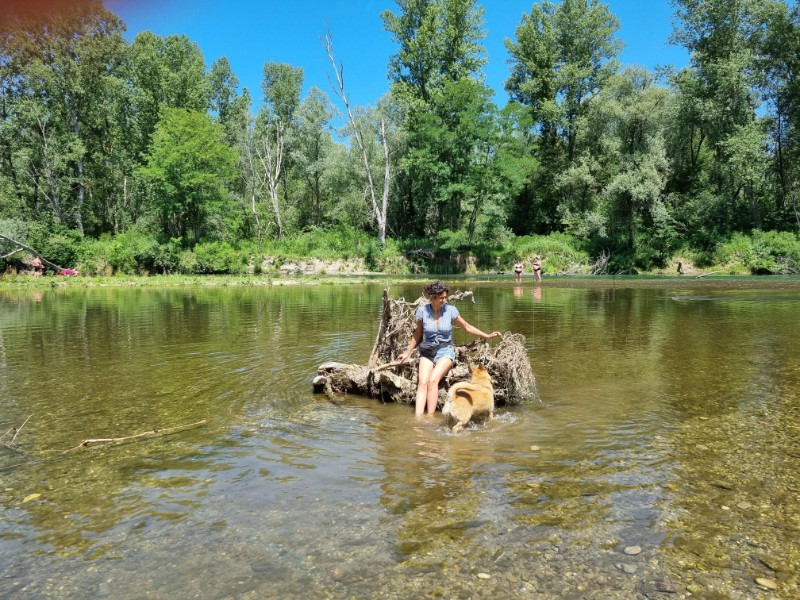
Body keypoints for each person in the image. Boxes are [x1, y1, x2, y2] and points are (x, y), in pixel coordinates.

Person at [397, 281, 502, 417]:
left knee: (432, 381)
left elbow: (467, 327)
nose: (445, 300)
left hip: (445, 351)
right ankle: (417, 419)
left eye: (446, 297)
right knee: (422, 383)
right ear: (433, 297)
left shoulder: (450, 310)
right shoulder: (422, 311)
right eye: (442, 298)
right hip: (427, 351)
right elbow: (417, 334)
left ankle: (430, 417)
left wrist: (487, 335)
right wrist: (407, 352)